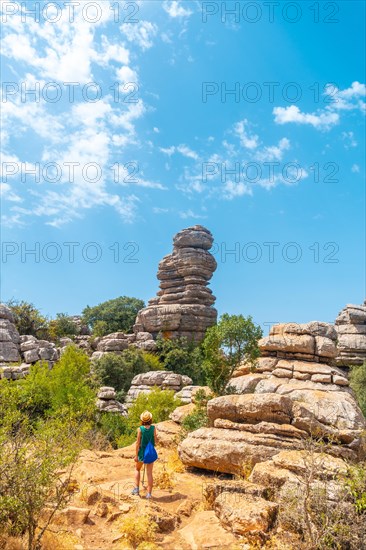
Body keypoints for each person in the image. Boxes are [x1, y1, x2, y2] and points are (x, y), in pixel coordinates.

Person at [131, 410, 158, 499]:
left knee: (137, 469)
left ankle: (136, 489)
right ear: (150, 419)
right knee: (149, 473)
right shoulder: (153, 428)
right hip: (150, 452)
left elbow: (137, 443)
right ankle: (149, 494)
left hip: (142, 453)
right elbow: (156, 441)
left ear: (142, 420)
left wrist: (136, 455)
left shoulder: (140, 429)